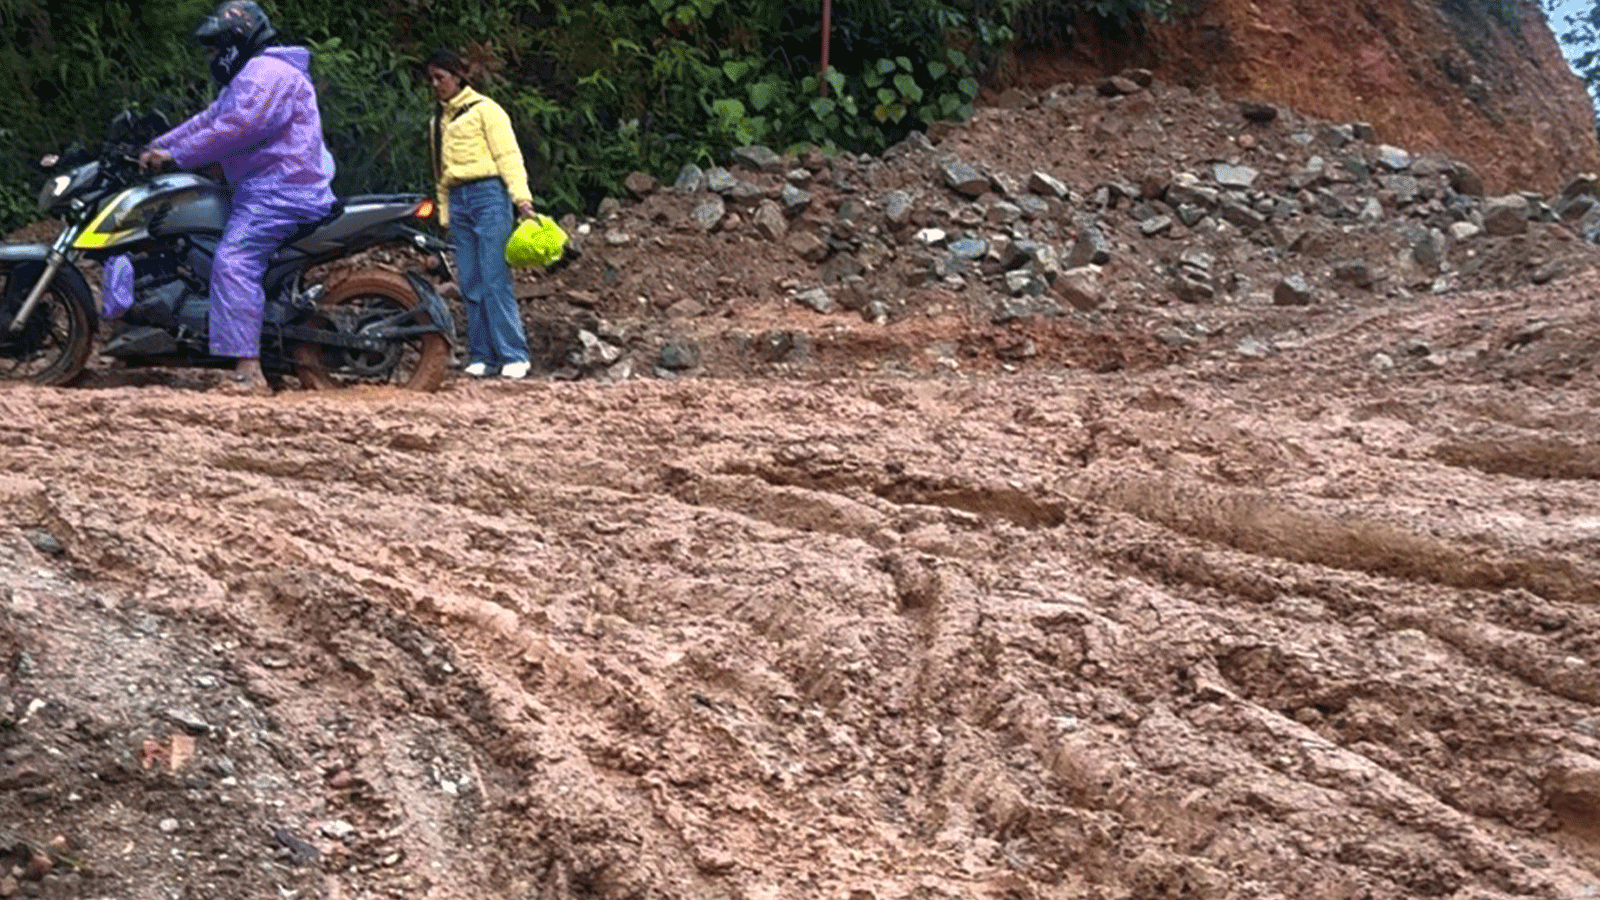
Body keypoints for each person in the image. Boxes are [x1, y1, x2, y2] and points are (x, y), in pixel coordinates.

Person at [139, 0, 336, 395]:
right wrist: (154, 147)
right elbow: (209, 120)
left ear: (237, 40)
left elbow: (237, 126)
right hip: (263, 189)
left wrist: (175, 156)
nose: (213, 56)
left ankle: (249, 371)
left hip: (281, 192)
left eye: (216, 47)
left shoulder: (267, 72)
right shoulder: (252, 75)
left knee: (233, 262)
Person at [425, 49, 534, 380]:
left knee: (494, 277)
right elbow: (439, 173)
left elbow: (508, 156)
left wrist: (523, 201)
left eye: (440, 77)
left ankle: (513, 353)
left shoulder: (487, 111)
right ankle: (482, 355)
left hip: (489, 194)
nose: (435, 85)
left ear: (458, 77)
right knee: (470, 280)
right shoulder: (437, 123)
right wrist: (444, 216)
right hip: (458, 199)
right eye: (431, 79)